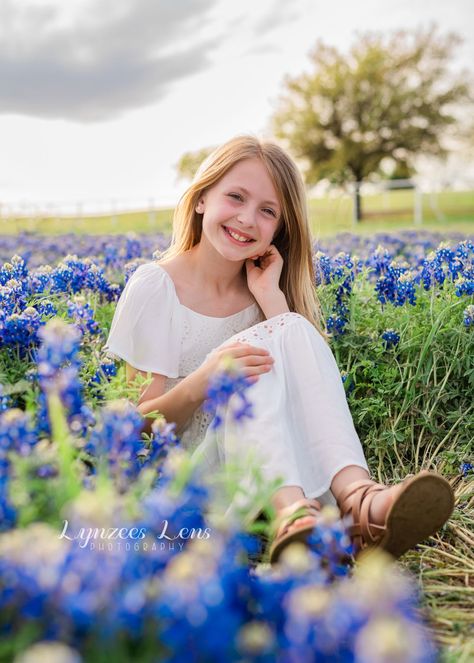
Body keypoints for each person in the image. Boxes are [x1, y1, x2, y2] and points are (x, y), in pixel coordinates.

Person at [105, 135, 454, 563]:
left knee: (290, 330)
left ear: (279, 228)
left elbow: (304, 392)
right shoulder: (156, 286)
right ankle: (296, 512)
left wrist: (272, 300)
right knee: (250, 358)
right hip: (190, 484)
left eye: (267, 211)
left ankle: (359, 500)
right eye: (235, 197)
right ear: (200, 199)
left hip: (271, 465)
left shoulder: (264, 297)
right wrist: (204, 381)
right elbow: (138, 429)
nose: (247, 219)